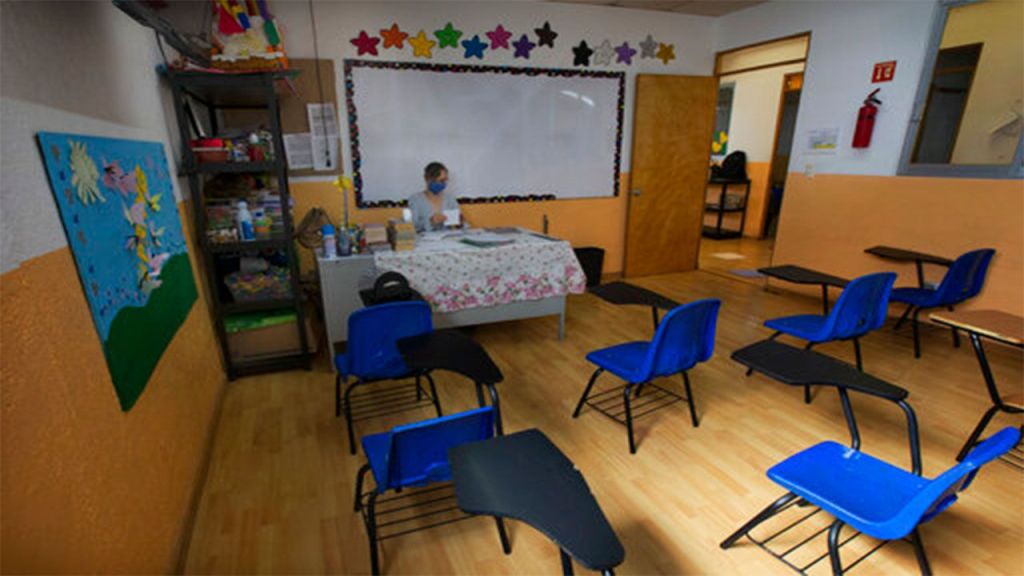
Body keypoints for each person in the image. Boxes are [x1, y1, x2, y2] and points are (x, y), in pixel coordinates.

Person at [407, 162, 460, 232]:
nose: (444, 184)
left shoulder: (450, 199)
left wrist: (461, 223)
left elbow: (461, 225)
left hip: (447, 237)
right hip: (425, 238)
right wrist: (430, 222)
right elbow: (411, 226)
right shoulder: (415, 200)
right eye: (441, 181)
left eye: (445, 180)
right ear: (428, 179)